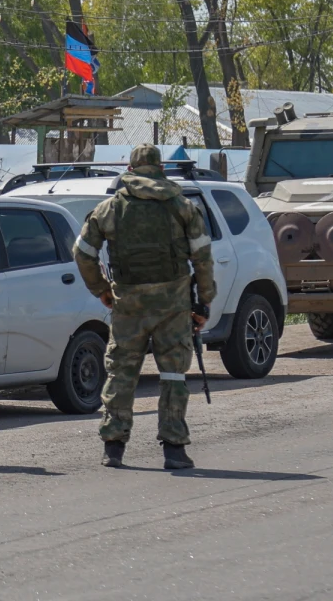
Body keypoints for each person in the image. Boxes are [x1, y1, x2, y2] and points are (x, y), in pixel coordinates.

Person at [73, 144, 217, 471]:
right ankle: (174, 449)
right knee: (172, 373)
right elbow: (203, 259)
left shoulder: (109, 209)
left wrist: (102, 290)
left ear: (131, 169)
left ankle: (113, 447)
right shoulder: (183, 207)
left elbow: (82, 253)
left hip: (128, 303)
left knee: (122, 370)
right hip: (174, 304)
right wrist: (204, 301)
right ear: (161, 169)